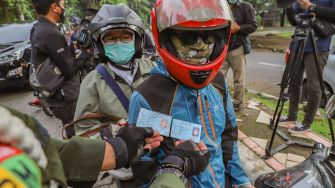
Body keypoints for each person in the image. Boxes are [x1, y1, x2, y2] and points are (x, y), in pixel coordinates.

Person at [128, 0, 253, 187]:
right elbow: (144, 169)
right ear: (166, 38)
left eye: (210, 36)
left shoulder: (218, 82)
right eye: (188, 37)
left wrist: (241, 181)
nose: (201, 46)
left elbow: (228, 136)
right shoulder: (147, 97)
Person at [0, 106, 209, 188]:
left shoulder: (11, 128)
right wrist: (173, 169)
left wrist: (118, 149)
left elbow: (49, 151)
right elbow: (83, 127)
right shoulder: (93, 80)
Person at [73, 4, 156, 138]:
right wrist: (118, 135)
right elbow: (85, 132)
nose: (119, 43)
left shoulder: (153, 69)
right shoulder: (92, 83)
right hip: (123, 155)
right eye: (111, 38)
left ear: (137, 40)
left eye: (126, 37)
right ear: (100, 44)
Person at [30, 0, 91, 137]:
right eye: (62, 6)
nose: (64, 9)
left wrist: (73, 47)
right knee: (76, 132)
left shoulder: (37, 28)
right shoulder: (50, 33)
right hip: (65, 98)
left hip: (55, 97)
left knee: (69, 127)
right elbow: (69, 70)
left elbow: (54, 57)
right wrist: (86, 53)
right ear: (54, 8)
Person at [281, 0, 335, 133]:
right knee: (294, 82)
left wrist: (311, 6)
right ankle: (291, 116)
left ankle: (307, 122)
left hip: (318, 47)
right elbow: (295, 21)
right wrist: (287, 7)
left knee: (313, 86)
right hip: (299, 42)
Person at [221, 0, 257, 115]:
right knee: (219, 77)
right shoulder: (221, 5)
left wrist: (239, 28)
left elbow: (253, 26)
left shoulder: (246, 7)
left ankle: (238, 104)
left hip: (237, 47)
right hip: (222, 47)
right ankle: (219, 102)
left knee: (239, 79)